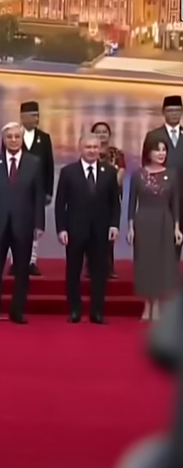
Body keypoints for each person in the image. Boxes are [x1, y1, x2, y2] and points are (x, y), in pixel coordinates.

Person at [0, 122, 45, 324]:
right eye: (10, 137)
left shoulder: (34, 163)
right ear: (3, 139)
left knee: (22, 270)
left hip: (24, 224)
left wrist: (39, 224)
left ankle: (17, 311)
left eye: (17, 137)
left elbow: (38, 195)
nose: (14, 140)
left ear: (22, 139)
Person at [54, 133, 120, 324]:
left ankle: (96, 312)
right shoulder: (68, 172)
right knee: (73, 271)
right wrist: (61, 229)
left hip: (101, 230)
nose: (92, 151)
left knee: (99, 272)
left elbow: (115, 203)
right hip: (75, 229)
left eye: (95, 147)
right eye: (88, 147)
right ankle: (75, 310)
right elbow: (60, 203)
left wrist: (114, 225)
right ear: (80, 149)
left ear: (100, 149)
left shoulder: (109, 172)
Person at [127, 139, 181, 322]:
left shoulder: (172, 175)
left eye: (164, 150)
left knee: (160, 263)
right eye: (157, 150)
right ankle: (146, 304)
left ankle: (156, 304)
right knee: (144, 262)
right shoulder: (138, 175)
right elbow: (132, 203)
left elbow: (175, 203)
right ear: (148, 152)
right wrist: (130, 227)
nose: (161, 153)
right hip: (143, 221)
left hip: (164, 221)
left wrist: (177, 228)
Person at [11, 101, 54, 276]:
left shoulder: (44, 138)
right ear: (22, 117)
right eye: (33, 116)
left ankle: (31, 261)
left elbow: (49, 165)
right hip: (15, 189)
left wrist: (49, 191)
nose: (37, 119)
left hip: (37, 190)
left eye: (38, 115)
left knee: (35, 226)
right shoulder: (13, 136)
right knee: (14, 225)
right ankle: (15, 262)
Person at [143, 95, 183, 257]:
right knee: (160, 239)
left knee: (178, 237)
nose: (174, 114)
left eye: (177, 110)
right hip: (161, 196)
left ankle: (174, 269)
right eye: (170, 110)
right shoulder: (153, 135)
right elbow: (146, 166)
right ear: (163, 112)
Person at [92, 121, 125, 277]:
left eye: (104, 132)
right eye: (98, 132)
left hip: (111, 198)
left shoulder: (117, 154)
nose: (101, 134)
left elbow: (120, 175)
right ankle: (91, 267)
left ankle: (108, 267)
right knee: (91, 232)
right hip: (91, 198)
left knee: (109, 233)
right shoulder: (90, 152)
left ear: (109, 135)